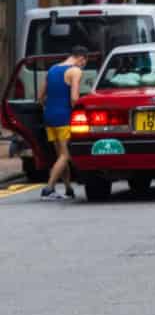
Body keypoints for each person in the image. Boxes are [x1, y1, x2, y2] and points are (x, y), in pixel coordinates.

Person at [38, 47, 87, 200]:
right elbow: (74, 98)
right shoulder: (75, 71)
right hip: (64, 116)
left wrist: (49, 108)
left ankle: (68, 188)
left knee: (60, 155)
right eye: (84, 62)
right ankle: (49, 188)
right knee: (66, 154)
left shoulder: (52, 69)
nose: (83, 66)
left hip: (49, 117)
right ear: (81, 58)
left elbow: (40, 97)